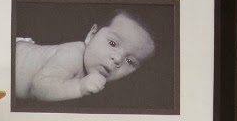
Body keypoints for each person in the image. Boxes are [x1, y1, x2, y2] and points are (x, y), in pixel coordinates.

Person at [15, 10, 155, 103]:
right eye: (112, 43)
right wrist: (79, 88)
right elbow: (38, 88)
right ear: (91, 35)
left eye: (130, 61)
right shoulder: (72, 54)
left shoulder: (96, 79)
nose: (118, 59)